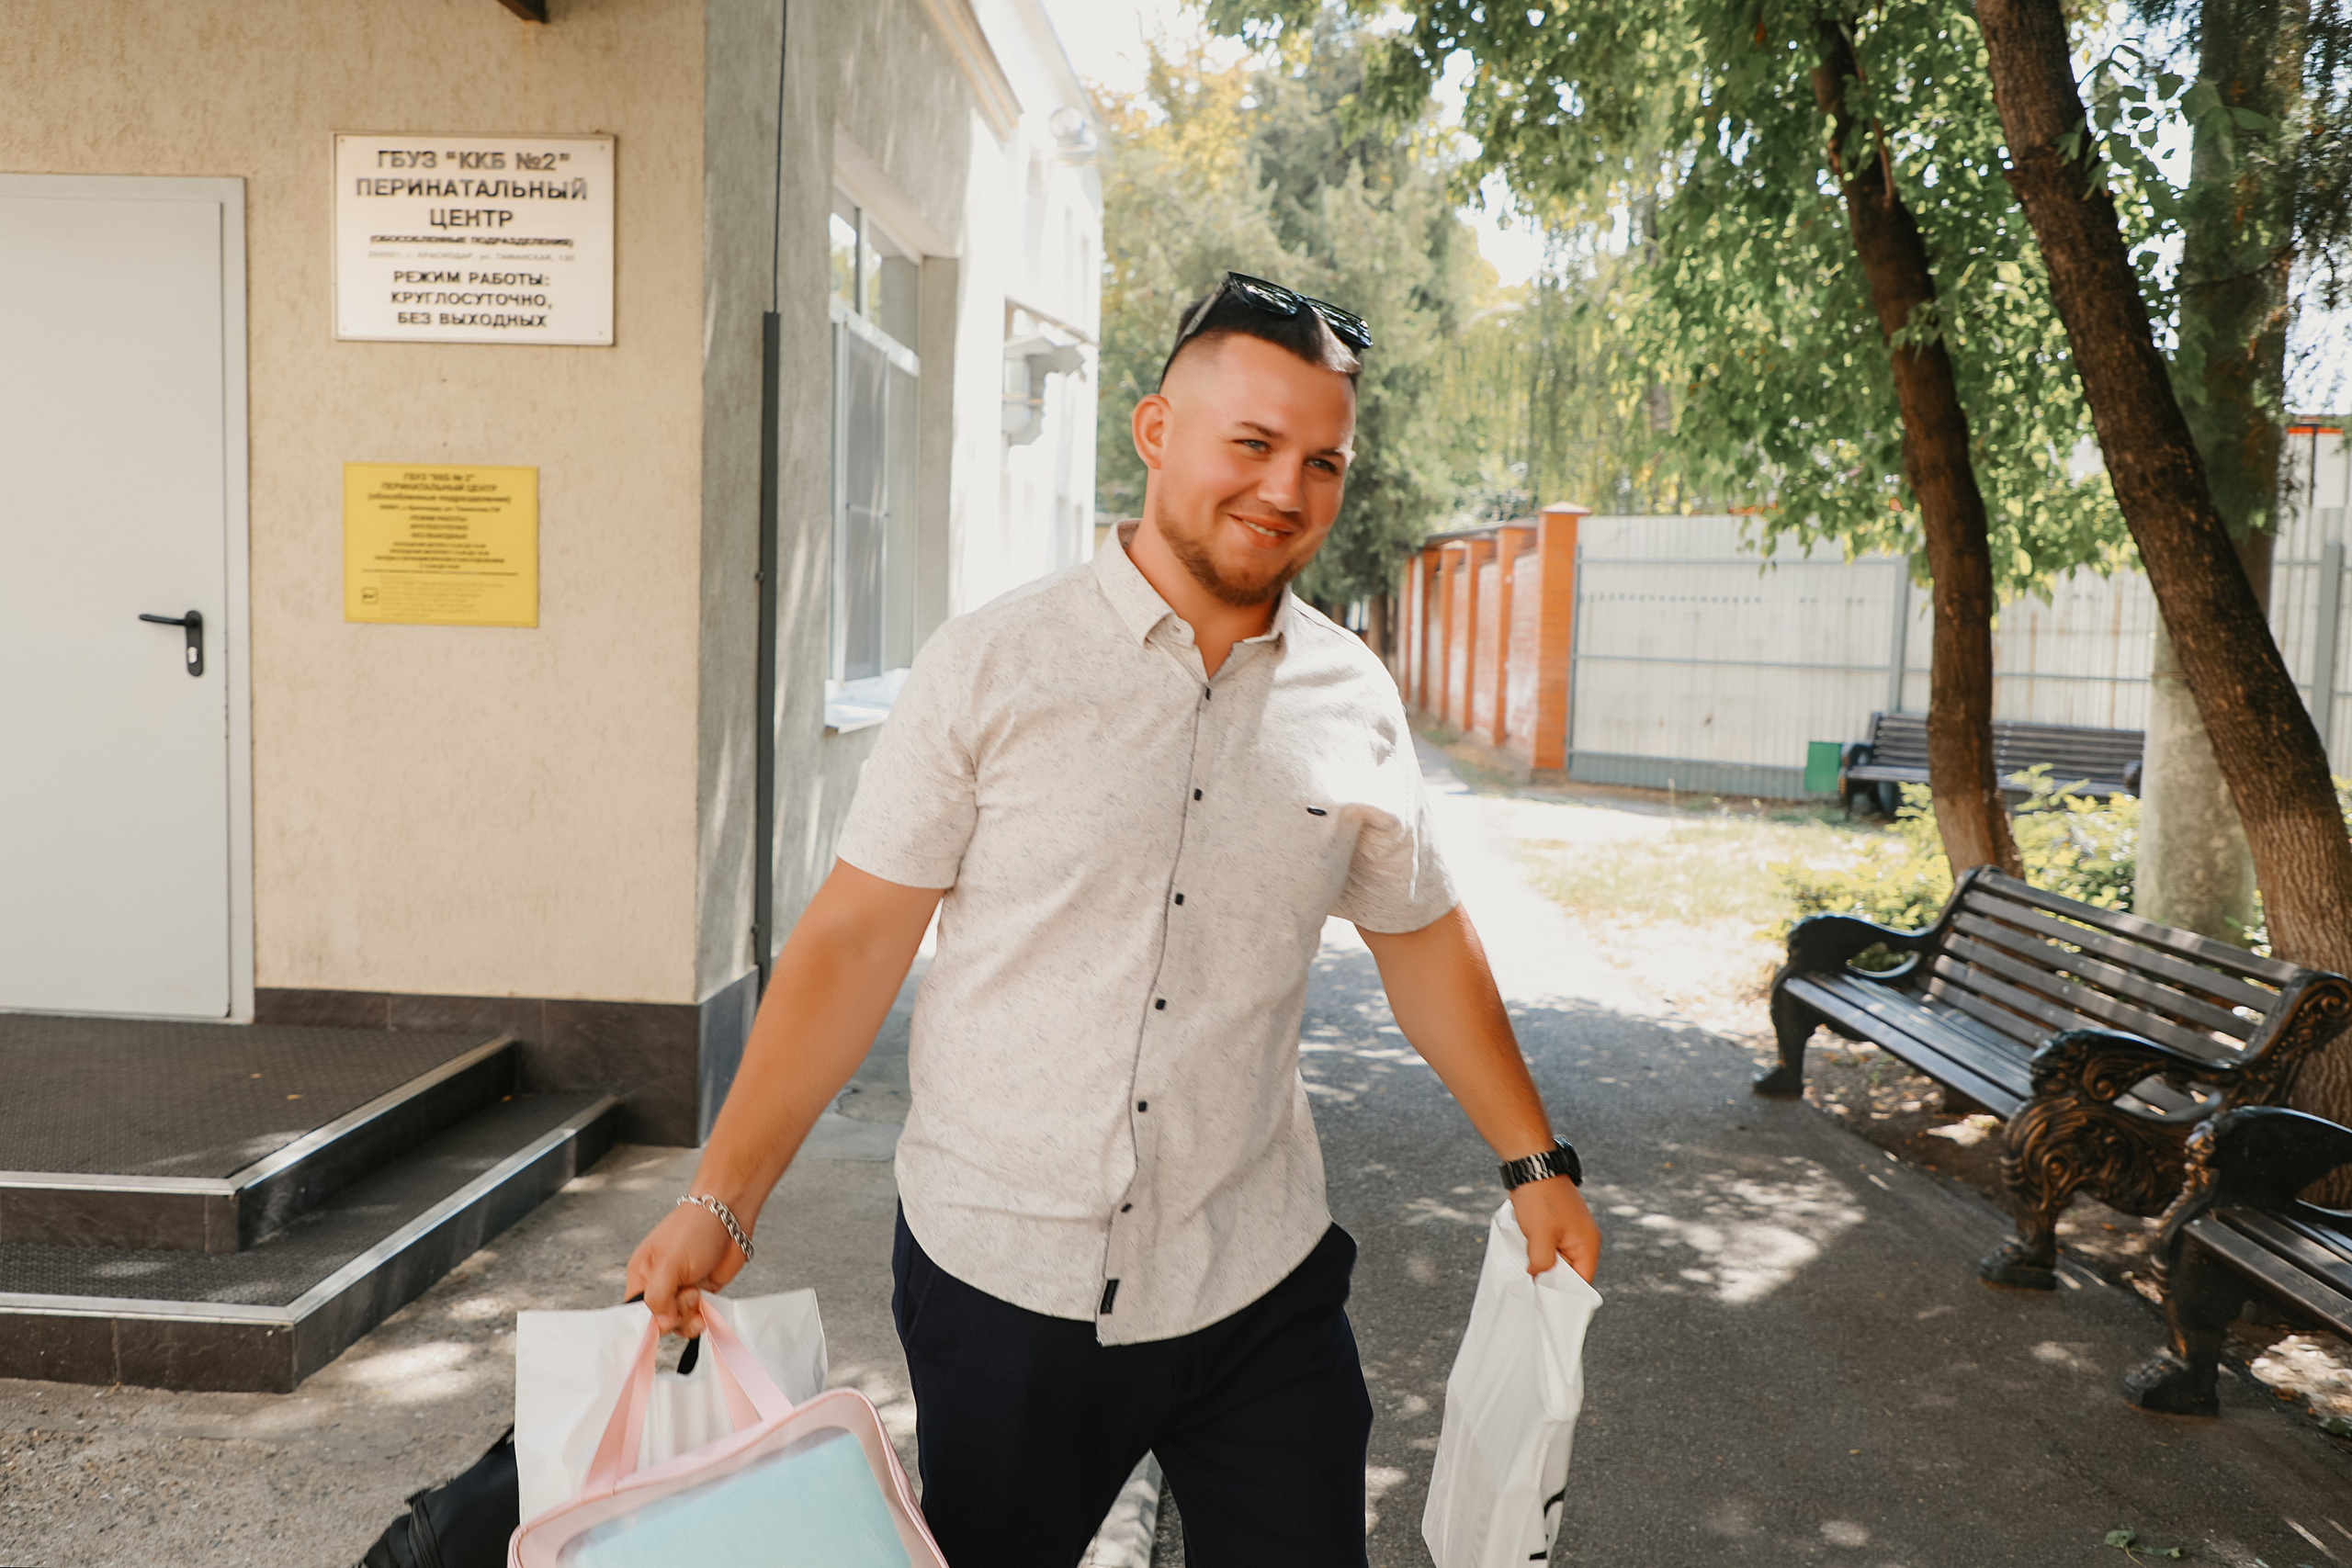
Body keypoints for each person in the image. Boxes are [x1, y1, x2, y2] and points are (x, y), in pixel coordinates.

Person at [626, 272, 1600, 1567]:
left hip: (1257, 1282)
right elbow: (854, 946)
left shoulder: (1352, 697)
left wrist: (1534, 1162)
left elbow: (1421, 937)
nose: (1286, 490)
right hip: (1004, 1288)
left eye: (1323, 461)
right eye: (1251, 445)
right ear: (1155, 432)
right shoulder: (992, 665)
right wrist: (725, 1198)